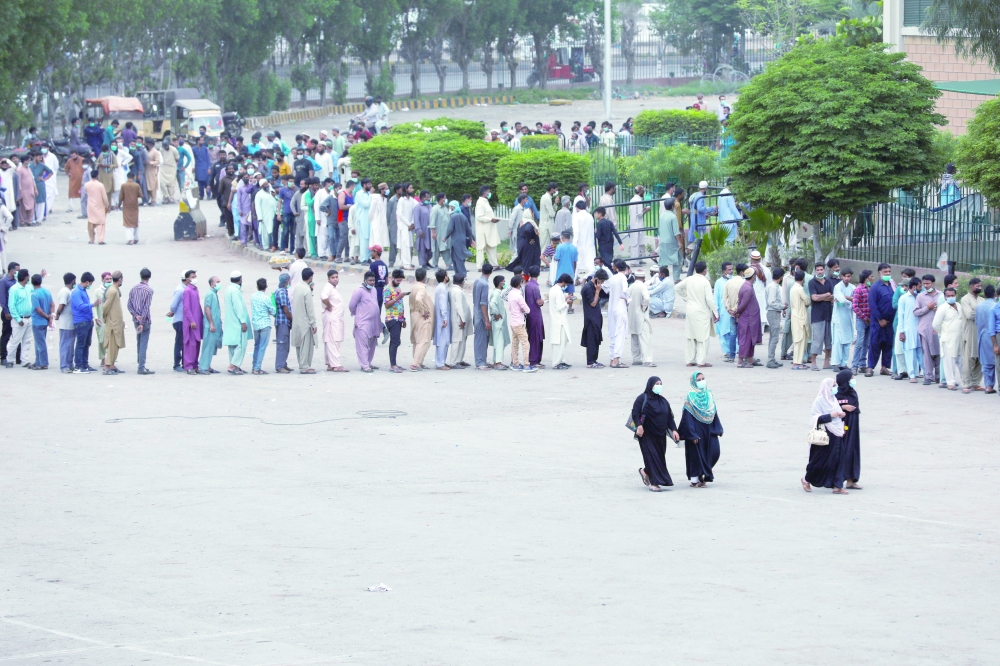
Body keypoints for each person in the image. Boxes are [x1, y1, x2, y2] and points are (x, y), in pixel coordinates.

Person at [801, 378, 849, 494]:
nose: (835, 388)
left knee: (838, 459)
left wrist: (841, 414)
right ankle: (807, 480)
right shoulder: (819, 401)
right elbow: (815, 418)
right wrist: (830, 415)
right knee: (819, 460)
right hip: (824, 435)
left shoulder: (834, 400)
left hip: (836, 434)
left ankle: (837, 485)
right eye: (833, 386)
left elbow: (838, 414)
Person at [633, 377, 680, 492]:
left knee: (658, 457)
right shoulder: (642, 398)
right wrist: (639, 425)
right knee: (652, 456)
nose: (659, 385)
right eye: (656, 384)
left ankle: (645, 472)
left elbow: (669, 417)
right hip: (646, 434)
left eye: (660, 383)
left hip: (660, 434)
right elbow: (635, 412)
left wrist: (674, 430)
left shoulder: (663, 401)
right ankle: (654, 483)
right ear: (650, 385)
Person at [678, 372, 723, 487]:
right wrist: (691, 434)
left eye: (703, 379)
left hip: (710, 429)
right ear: (693, 382)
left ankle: (704, 473)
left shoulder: (709, 394)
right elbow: (687, 417)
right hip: (696, 430)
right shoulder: (690, 397)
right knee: (696, 455)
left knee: (714, 452)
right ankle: (695, 480)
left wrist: (718, 427)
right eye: (698, 380)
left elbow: (713, 412)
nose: (702, 381)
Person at [675, 261, 719, 367]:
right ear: (704, 270)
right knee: (703, 338)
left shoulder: (689, 279)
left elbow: (677, 287)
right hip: (702, 312)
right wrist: (715, 312)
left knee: (691, 336)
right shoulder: (705, 282)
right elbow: (709, 299)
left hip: (691, 310)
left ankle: (690, 360)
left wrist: (687, 298)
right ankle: (701, 361)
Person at [833, 368, 863, 490]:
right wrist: (842, 407)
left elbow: (856, 407)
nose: (853, 380)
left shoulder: (852, 392)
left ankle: (851, 480)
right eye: (851, 378)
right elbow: (829, 408)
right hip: (839, 427)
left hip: (853, 426)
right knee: (840, 452)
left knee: (853, 451)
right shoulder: (835, 394)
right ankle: (836, 481)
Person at [867, 263, 896, 377]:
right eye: (885, 272)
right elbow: (873, 305)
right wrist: (880, 319)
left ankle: (885, 367)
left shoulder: (892, 285)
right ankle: (870, 367)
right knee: (875, 344)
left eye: (889, 271)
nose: (888, 274)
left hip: (890, 321)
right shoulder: (875, 287)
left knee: (888, 344)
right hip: (878, 322)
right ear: (879, 273)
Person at [349, 271, 382, 372]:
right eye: (370, 280)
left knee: (372, 344)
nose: (372, 282)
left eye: (373, 280)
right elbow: (351, 306)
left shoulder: (374, 290)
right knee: (362, 344)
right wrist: (358, 313)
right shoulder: (359, 291)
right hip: (362, 322)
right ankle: (364, 365)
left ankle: (368, 362)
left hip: (374, 322)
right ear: (365, 281)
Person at [914, 274, 943, 385]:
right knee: (927, 353)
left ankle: (939, 376)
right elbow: (915, 312)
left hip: (938, 329)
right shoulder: (920, 296)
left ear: (933, 283)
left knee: (938, 353)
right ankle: (928, 376)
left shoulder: (941, 295)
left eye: (928, 283)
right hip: (925, 329)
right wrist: (928, 308)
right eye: (924, 284)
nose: (926, 286)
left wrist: (937, 310)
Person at [933, 286, 963, 390]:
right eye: (948, 296)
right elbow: (935, 324)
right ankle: (950, 382)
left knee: (961, 361)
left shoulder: (959, 305)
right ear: (945, 297)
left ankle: (966, 382)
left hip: (960, 339)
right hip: (948, 339)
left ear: (955, 295)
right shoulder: (943, 308)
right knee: (949, 362)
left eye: (952, 295)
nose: (951, 297)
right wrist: (944, 332)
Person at [289, 267, 317, 374]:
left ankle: (302, 365)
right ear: (310, 278)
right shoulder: (306, 290)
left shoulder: (297, 287)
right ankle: (304, 367)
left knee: (299, 345)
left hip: (297, 320)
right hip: (305, 322)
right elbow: (310, 309)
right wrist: (313, 323)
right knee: (306, 346)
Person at [807, 262, 834, 371]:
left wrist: (822, 297)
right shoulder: (811, 282)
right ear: (815, 271)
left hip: (829, 314)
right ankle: (813, 362)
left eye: (821, 269)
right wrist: (825, 295)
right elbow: (814, 298)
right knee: (817, 340)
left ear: (824, 270)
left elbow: (832, 297)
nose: (820, 271)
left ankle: (826, 362)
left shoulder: (829, 281)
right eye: (817, 270)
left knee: (829, 340)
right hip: (817, 316)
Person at [127, 268, 154, 375]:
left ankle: (140, 364)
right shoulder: (149, 291)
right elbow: (146, 307)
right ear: (149, 276)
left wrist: (136, 315)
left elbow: (129, 305)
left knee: (139, 340)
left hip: (136, 319)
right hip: (145, 320)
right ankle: (141, 366)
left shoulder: (133, 289)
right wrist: (142, 321)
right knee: (143, 343)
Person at [319, 270, 347, 372]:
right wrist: (329, 305)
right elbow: (323, 297)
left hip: (335, 318)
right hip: (332, 318)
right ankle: (336, 365)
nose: (335, 279)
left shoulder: (334, 288)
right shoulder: (328, 287)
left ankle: (330, 364)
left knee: (330, 340)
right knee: (333, 340)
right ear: (328, 279)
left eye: (336, 277)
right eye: (333, 277)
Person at [223, 271, 251, 374]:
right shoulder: (235, 291)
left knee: (233, 345)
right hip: (237, 322)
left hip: (230, 321)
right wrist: (243, 322)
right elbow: (238, 307)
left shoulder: (228, 289)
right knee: (241, 344)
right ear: (240, 280)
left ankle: (236, 366)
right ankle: (232, 365)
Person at [734, 267, 762, 368]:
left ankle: (750, 360)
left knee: (750, 340)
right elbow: (743, 304)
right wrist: (736, 312)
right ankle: (740, 362)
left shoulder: (746, 286)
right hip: (748, 318)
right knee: (746, 340)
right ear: (753, 276)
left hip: (750, 317)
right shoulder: (748, 288)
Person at [4, 268, 33, 367]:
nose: (29, 278)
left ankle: (24, 360)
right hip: (19, 319)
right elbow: (12, 306)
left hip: (29, 318)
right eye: (28, 276)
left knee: (27, 340)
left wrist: (41, 277)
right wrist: (18, 319)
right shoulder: (14, 289)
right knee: (15, 340)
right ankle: (10, 360)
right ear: (26, 277)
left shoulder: (28, 287)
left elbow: (35, 287)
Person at [895, 277, 921, 382]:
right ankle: (912, 375)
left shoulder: (920, 297)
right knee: (909, 352)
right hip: (907, 329)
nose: (921, 288)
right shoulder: (904, 298)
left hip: (919, 329)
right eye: (920, 286)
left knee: (920, 352)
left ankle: (924, 373)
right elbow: (900, 316)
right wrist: (901, 332)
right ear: (914, 286)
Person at [606, 260, 631, 368]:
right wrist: (628, 299)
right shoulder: (623, 278)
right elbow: (625, 289)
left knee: (613, 333)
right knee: (619, 334)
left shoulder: (612, 278)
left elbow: (605, 288)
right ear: (625, 268)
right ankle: (616, 359)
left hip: (612, 308)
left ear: (616, 268)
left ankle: (612, 358)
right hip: (620, 307)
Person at [960, 279, 984, 392]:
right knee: (968, 359)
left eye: (980, 286)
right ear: (971, 286)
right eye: (977, 286)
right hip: (970, 332)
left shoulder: (982, 300)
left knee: (980, 358)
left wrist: (976, 311)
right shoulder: (965, 299)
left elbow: (986, 313)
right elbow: (969, 314)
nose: (979, 287)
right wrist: (980, 313)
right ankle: (966, 383)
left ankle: (976, 383)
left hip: (981, 332)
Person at [581, 269, 607, 368]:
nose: (602, 283)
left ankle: (594, 360)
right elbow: (593, 303)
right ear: (597, 279)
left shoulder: (595, 286)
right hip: (590, 318)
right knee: (591, 339)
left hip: (596, 316)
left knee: (596, 339)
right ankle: (590, 362)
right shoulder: (588, 288)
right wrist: (597, 291)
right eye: (602, 281)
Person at [628, 269, 654, 367]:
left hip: (631, 315)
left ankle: (636, 359)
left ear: (635, 277)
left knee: (634, 337)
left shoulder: (631, 287)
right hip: (641, 316)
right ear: (644, 278)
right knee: (644, 338)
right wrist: (644, 307)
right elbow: (646, 298)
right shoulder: (643, 286)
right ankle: (647, 359)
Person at [71, 272, 96, 373]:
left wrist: (92, 318)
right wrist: (93, 305)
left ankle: (85, 364)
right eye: (90, 283)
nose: (90, 285)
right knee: (81, 344)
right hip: (81, 321)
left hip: (87, 320)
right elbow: (80, 306)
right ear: (87, 282)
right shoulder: (76, 292)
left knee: (87, 344)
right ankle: (78, 366)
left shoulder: (84, 291)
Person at [409, 267, 433, 371]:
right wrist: (423, 311)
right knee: (424, 341)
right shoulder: (421, 288)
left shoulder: (414, 286)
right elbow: (418, 299)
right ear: (425, 277)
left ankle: (419, 361)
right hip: (422, 317)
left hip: (414, 315)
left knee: (417, 341)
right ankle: (416, 363)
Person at [249, 278, 275, 375]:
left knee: (256, 346)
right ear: (266, 286)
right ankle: (257, 368)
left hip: (256, 324)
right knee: (262, 347)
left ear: (257, 286)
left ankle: (254, 366)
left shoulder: (253, 296)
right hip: (265, 324)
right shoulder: (266, 298)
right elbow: (273, 311)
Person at [383, 269, 407, 373]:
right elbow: (387, 304)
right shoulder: (387, 289)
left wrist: (403, 318)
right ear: (392, 278)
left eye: (400, 280)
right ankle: (393, 365)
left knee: (396, 341)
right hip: (392, 318)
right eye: (397, 280)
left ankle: (395, 364)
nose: (399, 282)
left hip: (399, 318)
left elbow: (400, 305)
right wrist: (398, 297)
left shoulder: (398, 288)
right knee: (395, 341)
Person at [198, 276, 223, 374]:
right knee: (208, 346)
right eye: (217, 281)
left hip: (215, 324)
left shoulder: (214, 294)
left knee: (212, 346)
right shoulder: (210, 294)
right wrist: (211, 323)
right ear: (212, 284)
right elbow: (207, 309)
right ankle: (203, 367)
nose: (219, 283)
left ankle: (207, 366)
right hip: (210, 325)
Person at [976, 284, 998, 393]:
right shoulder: (996, 306)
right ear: (994, 294)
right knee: (997, 362)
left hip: (983, 336)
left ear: (984, 294)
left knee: (987, 363)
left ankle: (988, 386)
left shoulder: (979, 307)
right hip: (996, 336)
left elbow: (977, 322)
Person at [549, 273, 573, 369]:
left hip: (556, 319)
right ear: (563, 282)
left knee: (561, 342)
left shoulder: (553, 289)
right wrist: (567, 303)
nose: (566, 286)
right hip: (560, 320)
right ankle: (556, 363)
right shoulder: (558, 292)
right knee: (559, 342)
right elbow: (559, 307)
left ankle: (561, 361)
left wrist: (565, 299)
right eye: (566, 284)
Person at [29, 274, 52, 370]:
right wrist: (50, 316)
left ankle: (43, 363)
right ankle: (38, 361)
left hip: (38, 321)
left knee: (40, 343)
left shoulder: (34, 294)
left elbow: (38, 310)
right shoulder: (46, 291)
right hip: (44, 322)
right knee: (38, 342)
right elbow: (52, 304)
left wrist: (47, 317)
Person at [448, 274, 472, 368]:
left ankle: (459, 360)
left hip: (458, 319)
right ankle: (454, 362)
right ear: (463, 282)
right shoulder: (457, 291)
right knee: (457, 340)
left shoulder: (453, 290)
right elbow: (459, 306)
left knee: (462, 340)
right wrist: (463, 319)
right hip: (458, 319)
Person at [524, 266, 546, 369]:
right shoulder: (535, 287)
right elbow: (539, 302)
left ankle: (534, 359)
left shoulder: (527, 285)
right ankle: (534, 360)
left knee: (532, 337)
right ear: (539, 274)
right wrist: (543, 301)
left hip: (529, 314)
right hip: (535, 315)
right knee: (536, 338)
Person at [55, 272, 77, 372]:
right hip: (66, 324)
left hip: (70, 323)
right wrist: (57, 314)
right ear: (72, 281)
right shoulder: (65, 292)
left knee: (70, 345)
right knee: (65, 345)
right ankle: (64, 366)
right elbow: (61, 306)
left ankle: (69, 364)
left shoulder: (69, 291)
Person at [473, 263, 493, 369]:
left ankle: (482, 360)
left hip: (475, 312)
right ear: (491, 272)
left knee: (479, 338)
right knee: (481, 339)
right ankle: (480, 362)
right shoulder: (485, 284)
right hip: (481, 315)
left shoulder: (477, 281)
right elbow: (483, 303)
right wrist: (486, 320)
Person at [474, 185, 500, 269]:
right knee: (481, 248)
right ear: (484, 192)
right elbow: (479, 217)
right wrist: (491, 219)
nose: (489, 193)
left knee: (491, 246)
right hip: (482, 229)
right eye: (488, 192)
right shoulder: (480, 202)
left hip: (489, 229)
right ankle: (480, 266)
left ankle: (494, 265)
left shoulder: (485, 201)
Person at [764, 268, 786, 368]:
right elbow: (771, 302)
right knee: (775, 338)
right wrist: (782, 306)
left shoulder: (773, 286)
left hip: (774, 312)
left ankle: (771, 358)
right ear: (781, 277)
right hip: (773, 312)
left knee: (773, 337)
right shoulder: (773, 287)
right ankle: (770, 360)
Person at [488, 274, 511, 369]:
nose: (505, 283)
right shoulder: (497, 294)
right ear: (501, 283)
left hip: (498, 322)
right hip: (499, 323)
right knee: (499, 343)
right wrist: (496, 313)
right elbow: (492, 304)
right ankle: (498, 363)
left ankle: (496, 362)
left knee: (498, 342)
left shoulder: (497, 293)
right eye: (504, 281)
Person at [851, 270, 872, 375]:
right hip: (862, 319)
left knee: (866, 343)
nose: (873, 278)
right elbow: (855, 306)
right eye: (871, 277)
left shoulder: (870, 289)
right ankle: (854, 366)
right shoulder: (858, 290)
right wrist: (864, 317)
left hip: (869, 319)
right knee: (859, 343)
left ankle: (862, 364)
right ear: (866, 278)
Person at [181, 272, 202, 374]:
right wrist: (192, 320)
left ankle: (195, 365)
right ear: (188, 279)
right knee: (191, 344)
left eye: (195, 276)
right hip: (191, 323)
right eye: (193, 277)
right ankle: (188, 366)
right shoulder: (187, 291)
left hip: (197, 321)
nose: (195, 278)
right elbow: (186, 308)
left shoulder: (195, 289)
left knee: (197, 343)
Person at [273, 273, 293, 372]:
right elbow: (285, 309)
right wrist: (292, 319)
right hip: (283, 321)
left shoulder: (281, 291)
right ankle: (279, 366)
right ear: (287, 281)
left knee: (285, 344)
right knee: (282, 343)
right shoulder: (282, 292)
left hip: (283, 321)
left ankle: (283, 364)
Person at [83, 169, 110, 244]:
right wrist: (107, 205)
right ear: (97, 176)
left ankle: (92, 239)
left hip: (90, 206)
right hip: (100, 205)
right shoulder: (100, 185)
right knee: (101, 222)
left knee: (91, 222)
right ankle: (100, 239)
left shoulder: (86, 184)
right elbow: (104, 197)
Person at [571, 201, 595, 278]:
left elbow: (576, 231)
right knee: (590, 263)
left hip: (580, 242)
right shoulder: (590, 216)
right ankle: (590, 278)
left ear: (577, 208)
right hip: (590, 242)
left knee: (578, 263)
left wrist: (574, 244)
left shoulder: (576, 216)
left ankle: (575, 279)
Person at [433, 269, 452, 369]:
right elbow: (442, 304)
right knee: (442, 341)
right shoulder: (442, 289)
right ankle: (440, 363)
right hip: (442, 317)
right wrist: (445, 317)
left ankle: (442, 361)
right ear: (445, 277)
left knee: (443, 340)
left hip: (441, 316)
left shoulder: (440, 287)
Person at [120, 171, 142, 245]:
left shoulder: (123, 185)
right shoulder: (136, 185)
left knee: (127, 223)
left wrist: (119, 205)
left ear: (127, 177)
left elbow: (121, 197)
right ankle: (135, 238)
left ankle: (130, 239)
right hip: (134, 206)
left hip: (126, 206)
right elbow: (141, 195)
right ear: (134, 177)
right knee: (135, 222)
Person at [539, 182, 558, 249]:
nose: (556, 191)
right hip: (546, 227)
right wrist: (555, 204)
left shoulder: (545, 197)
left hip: (544, 225)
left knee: (548, 247)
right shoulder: (547, 198)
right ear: (552, 189)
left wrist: (555, 204)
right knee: (546, 247)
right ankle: (544, 259)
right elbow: (552, 214)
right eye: (556, 190)